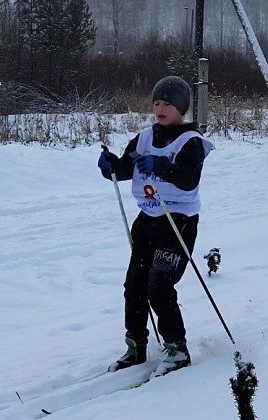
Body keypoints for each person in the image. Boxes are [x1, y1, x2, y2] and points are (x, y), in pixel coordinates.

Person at [97, 75, 214, 377]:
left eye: (168, 103)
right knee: (134, 284)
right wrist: (111, 166)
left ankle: (177, 349)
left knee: (159, 286)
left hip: (178, 223)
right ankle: (135, 346)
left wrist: (162, 166)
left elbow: (189, 179)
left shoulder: (192, 142)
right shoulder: (145, 137)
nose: (160, 108)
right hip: (147, 221)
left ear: (182, 108)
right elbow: (125, 168)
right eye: (157, 103)